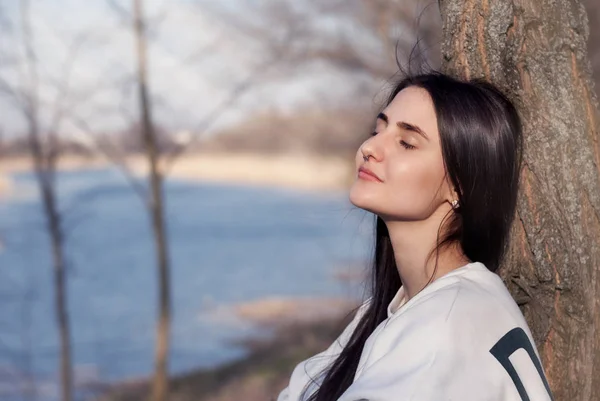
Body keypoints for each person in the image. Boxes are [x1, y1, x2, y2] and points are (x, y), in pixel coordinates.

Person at [276, 70, 555, 401]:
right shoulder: (404, 308)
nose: (369, 147)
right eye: (377, 130)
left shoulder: (444, 328)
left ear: (460, 186)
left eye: (406, 143)